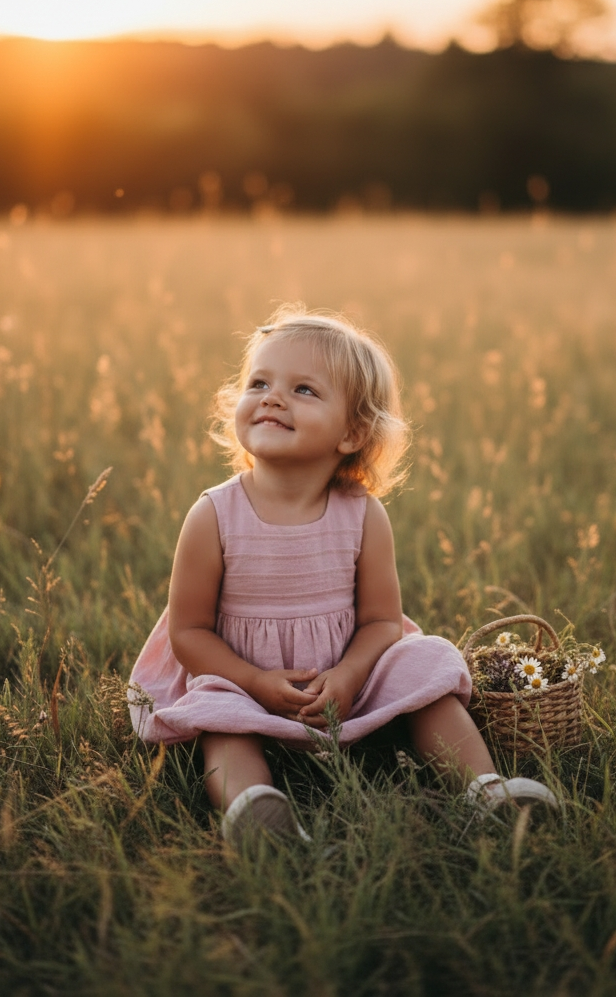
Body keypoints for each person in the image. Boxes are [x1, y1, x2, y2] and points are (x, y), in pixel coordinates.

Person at [129, 307, 557, 842]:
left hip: (346, 682)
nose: (272, 397)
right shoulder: (214, 515)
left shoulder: (363, 515)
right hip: (243, 679)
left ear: (352, 432)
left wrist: (352, 676)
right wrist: (256, 682)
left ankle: (484, 791)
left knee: (424, 664)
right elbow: (188, 634)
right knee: (217, 709)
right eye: (258, 382)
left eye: (303, 390)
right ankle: (255, 809)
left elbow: (381, 622)